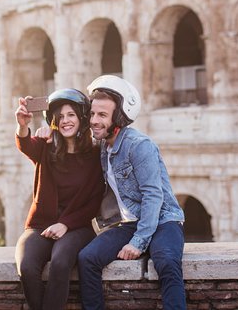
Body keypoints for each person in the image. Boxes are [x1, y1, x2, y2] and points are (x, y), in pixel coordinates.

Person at [77, 75, 186, 310]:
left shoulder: (139, 145)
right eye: (92, 114)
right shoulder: (102, 147)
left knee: (166, 261)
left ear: (118, 117)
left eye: (102, 115)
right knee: (87, 259)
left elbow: (153, 196)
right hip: (129, 223)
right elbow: (67, 140)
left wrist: (138, 242)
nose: (94, 120)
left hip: (163, 220)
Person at [14, 88, 104, 310]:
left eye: (71, 115)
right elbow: (25, 144)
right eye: (60, 116)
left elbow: (94, 203)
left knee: (61, 263)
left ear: (82, 118)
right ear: (54, 121)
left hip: (77, 227)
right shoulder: (46, 147)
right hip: (40, 226)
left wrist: (65, 224)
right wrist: (23, 125)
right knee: (26, 266)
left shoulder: (95, 155)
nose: (65, 121)